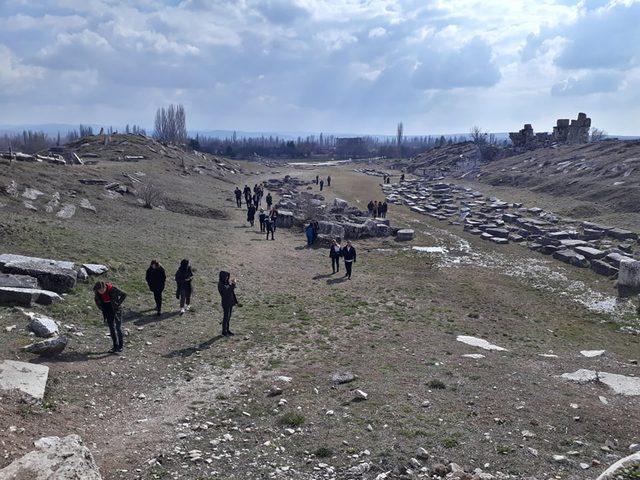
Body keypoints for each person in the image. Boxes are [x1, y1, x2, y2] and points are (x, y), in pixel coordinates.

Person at [94, 281, 127, 353]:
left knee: (118, 327)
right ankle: (115, 346)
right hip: (107, 309)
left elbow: (124, 294)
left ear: (105, 287)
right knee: (111, 328)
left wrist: (117, 303)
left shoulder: (112, 289)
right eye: (99, 291)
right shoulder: (97, 291)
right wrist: (101, 307)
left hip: (116, 309)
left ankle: (120, 346)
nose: (101, 292)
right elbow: (96, 299)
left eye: (102, 290)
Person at [218, 271, 237, 336]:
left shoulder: (226, 282)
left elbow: (230, 290)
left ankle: (227, 330)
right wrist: (233, 284)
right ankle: (224, 331)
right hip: (225, 303)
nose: (227, 277)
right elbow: (227, 292)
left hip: (230, 302)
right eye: (226, 276)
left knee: (228, 317)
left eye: (227, 276)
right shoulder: (221, 284)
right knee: (226, 317)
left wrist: (232, 284)